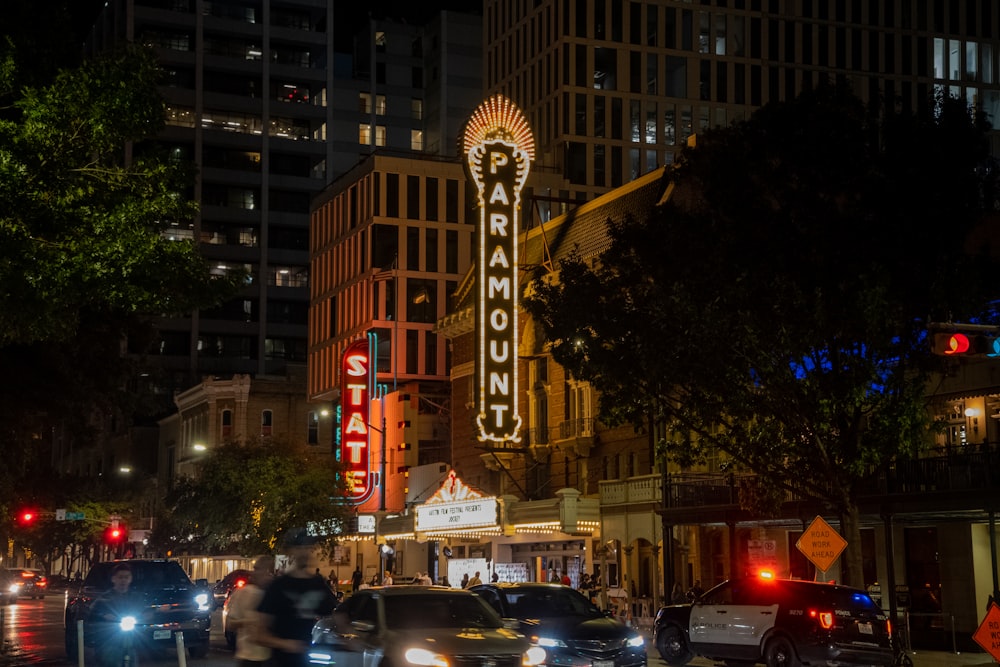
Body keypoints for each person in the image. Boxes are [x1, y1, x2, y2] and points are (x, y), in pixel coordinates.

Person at [257, 528, 339, 667]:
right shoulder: (279, 586)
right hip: (281, 662)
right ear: (291, 552)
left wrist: (354, 637)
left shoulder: (317, 584)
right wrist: (285, 644)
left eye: (308, 547)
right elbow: (259, 634)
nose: (304, 552)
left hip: (307, 660)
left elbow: (337, 614)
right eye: (299, 548)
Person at [90, 563, 144, 667]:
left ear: (131, 579)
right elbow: (94, 613)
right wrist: (105, 616)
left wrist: (146, 615)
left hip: (131, 639)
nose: (123, 580)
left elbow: (143, 610)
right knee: (111, 660)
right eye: (120, 577)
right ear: (113, 579)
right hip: (109, 640)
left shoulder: (136, 597)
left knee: (132, 660)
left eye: (126, 577)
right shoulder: (105, 598)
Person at [227, 555, 275, 667]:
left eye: (259, 569)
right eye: (255, 569)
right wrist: (248, 621)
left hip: (270, 656)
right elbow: (230, 623)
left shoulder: (275, 594)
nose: (254, 573)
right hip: (249, 656)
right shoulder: (243, 593)